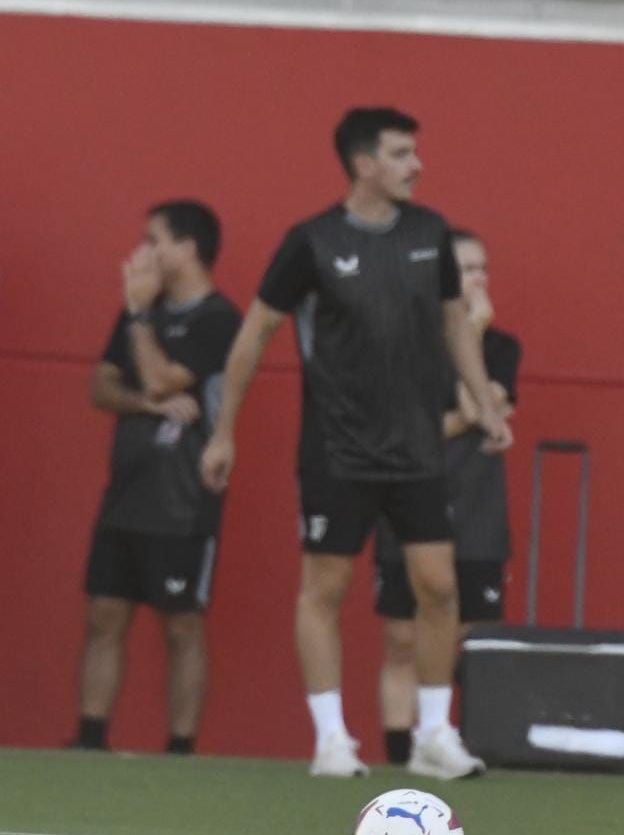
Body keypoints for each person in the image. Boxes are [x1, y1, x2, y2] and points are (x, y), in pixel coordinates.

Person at [200, 107, 511, 780]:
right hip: (337, 450)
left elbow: (456, 325)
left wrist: (485, 404)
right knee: (326, 587)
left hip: (418, 448)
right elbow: (253, 337)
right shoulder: (310, 242)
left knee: (437, 585)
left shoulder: (431, 234)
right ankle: (332, 739)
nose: (416, 164)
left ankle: (433, 733)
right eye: (402, 154)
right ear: (364, 162)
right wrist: (223, 431)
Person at [73, 201, 241, 755]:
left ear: (188, 248)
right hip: (125, 494)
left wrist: (142, 320)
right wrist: (146, 405)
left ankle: (180, 749)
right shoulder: (137, 310)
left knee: (181, 624)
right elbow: (102, 388)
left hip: (184, 499)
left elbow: (167, 379)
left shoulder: (219, 318)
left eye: (155, 240)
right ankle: (92, 737)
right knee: (105, 613)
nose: (143, 252)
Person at [372, 229, 521, 768]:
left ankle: (448, 739)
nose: (478, 278)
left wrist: (474, 334)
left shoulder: (502, 346)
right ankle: (398, 750)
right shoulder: (405, 345)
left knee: (464, 634)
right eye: (465, 268)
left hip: (478, 508)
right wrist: (470, 415)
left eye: (483, 267)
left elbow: (481, 406)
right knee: (402, 634)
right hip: (409, 499)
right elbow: (424, 429)